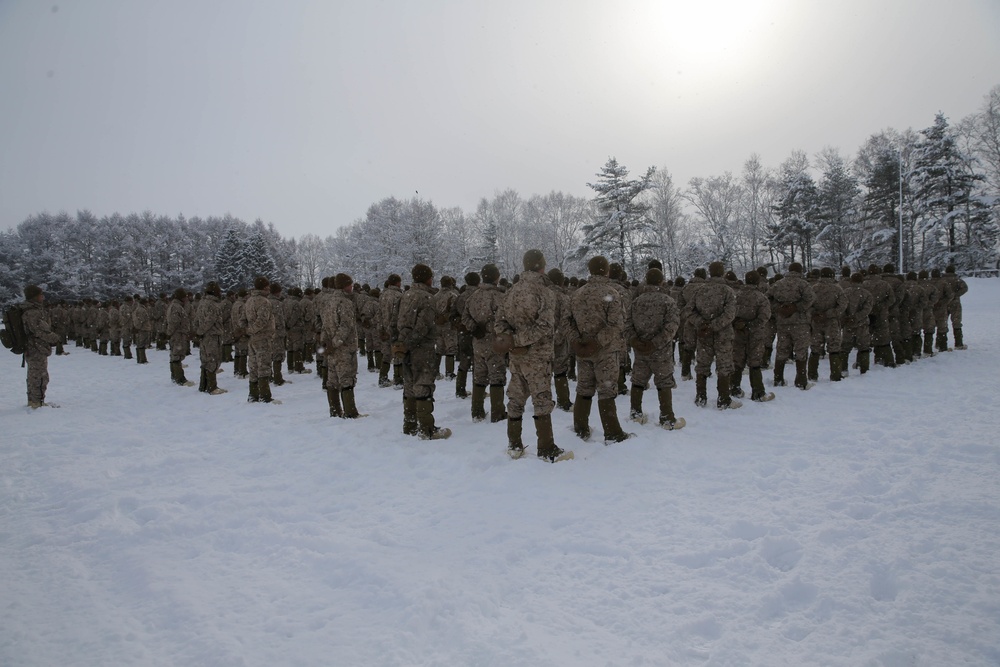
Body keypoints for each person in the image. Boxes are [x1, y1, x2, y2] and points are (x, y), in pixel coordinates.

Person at [495, 249, 573, 461]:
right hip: (537, 356)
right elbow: (545, 326)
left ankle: (514, 445)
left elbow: (500, 323)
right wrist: (521, 341)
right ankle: (546, 448)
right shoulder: (544, 292)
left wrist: (511, 340)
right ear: (542, 265)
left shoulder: (511, 291)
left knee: (516, 397)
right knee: (541, 398)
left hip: (516, 356)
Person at [567, 256, 630, 443]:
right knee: (606, 389)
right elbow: (616, 324)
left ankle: (580, 428)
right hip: (606, 351)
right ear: (606, 270)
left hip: (583, 350)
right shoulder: (611, 293)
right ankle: (612, 432)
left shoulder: (577, 294)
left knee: (584, 388)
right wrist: (597, 342)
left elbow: (567, 322)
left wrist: (577, 341)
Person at [626, 268, 685, 429]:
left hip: (641, 349)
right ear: (661, 281)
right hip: (661, 351)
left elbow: (628, 324)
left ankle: (635, 413)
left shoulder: (636, 302)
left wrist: (636, 341)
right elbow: (672, 326)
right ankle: (667, 418)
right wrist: (656, 343)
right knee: (664, 381)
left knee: (638, 380)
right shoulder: (668, 301)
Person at [396, 264, 451, 439]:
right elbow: (423, 326)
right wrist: (411, 342)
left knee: (409, 384)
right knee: (423, 384)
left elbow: (397, 320)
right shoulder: (427, 298)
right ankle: (427, 429)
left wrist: (402, 343)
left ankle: (409, 424)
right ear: (428, 278)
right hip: (421, 347)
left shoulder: (406, 295)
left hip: (405, 345)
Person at [688, 261, 740, 408]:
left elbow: (688, 311)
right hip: (722, 335)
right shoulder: (728, 291)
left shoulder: (699, 291)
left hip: (704, 334)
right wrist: (714, 326)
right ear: (722, 272)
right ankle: (723, 399)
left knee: (702, 364)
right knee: (724, 366)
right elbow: (730, 314)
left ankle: (700, 397)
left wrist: (702, 324)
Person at [461, 263, 508, 423]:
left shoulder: (473, 296)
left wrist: (474, 328)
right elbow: (502, 320)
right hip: (495, 342)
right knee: (497, 376)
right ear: (496, 277)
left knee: (479, 376)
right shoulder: (499, 296)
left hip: (478, 342)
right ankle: (498, 411)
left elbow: (464, 317)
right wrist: (488, 327)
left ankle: (477, 411)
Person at [321, 273, 365, 418]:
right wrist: (335, 343)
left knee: (332, 380)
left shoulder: (328, 302)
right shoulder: (345, 303)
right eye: (350, 284)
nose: (352, 287)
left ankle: (334, 410)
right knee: (347, 379)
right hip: (344, 347)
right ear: (344, 286)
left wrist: (326, 343)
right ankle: (350, 412)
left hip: (332, 348)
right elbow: (345, 326)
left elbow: (325, 326)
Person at [769, 262, 816, 389]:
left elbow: (767, 298)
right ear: (800, 271)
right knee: (801, 351)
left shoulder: (778, 284)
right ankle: (801, 379)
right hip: (800, 322)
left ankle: (778, 378)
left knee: (782, 349)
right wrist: (796, 307)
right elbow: (811, 298)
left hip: (783, 322)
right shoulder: (803, 284)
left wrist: (779, 308)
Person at [21, 284, 61, 408]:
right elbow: (40, 331)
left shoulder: (29, 310)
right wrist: (55, 337)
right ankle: (37, 402)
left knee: (34, 374)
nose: (42, 297)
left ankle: (33, 400)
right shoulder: (32, 312)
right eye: (40, 295)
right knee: (39, 376)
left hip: (33, 347)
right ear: (34, 297)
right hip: (36, 348)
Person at [240, 276, 278, 403]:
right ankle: (265, 395)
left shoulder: (249, 301)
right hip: (263, 338)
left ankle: (253, 394)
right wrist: (252, 330)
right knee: (264, 366)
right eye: (267, 286)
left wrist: (246, 330)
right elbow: (262, 320)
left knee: (253, 366)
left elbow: (242, 320)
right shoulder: (264, 302)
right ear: (264, 287)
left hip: (252, 339)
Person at [194, 281, 227, 395]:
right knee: (212, 359)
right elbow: (210, 321)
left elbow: (196, 319)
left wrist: (198, 331)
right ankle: (212, 387)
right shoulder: (213, 304)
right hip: (212, 335)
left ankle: (203, 385)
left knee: (205, 358)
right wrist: (201, 331)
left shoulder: (202, 303)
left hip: (205, 335)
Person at [166, 289, 194, 386]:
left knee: (175, 355)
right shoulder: (176, 307)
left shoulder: (176, 306)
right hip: (178, 334)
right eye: (185, 296)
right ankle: (180, 378)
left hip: (178, 334)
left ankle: (175, 377)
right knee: (176, 356)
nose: (187, 298)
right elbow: (174, 322)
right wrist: (171, 333)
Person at [943, 265, 969, 349]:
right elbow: (965, 288)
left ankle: (941, 343)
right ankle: (958, 343)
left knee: (942, 323)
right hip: (955, 303)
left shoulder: (942, 280)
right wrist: (956, 295)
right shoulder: (957, 280)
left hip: (944, 303)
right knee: (956, 322)